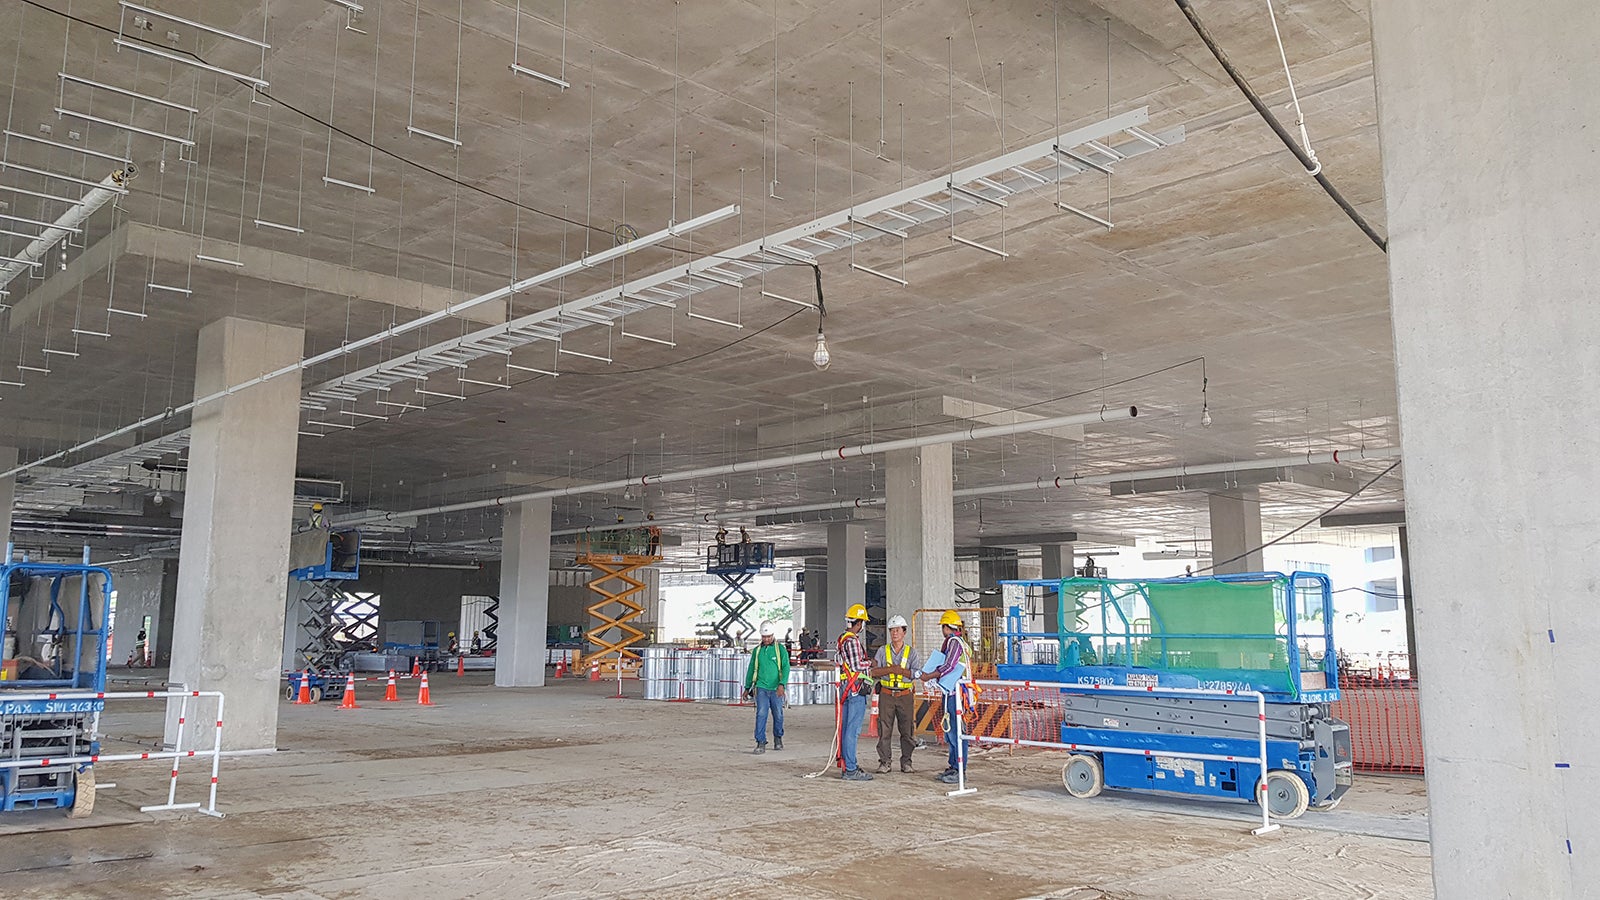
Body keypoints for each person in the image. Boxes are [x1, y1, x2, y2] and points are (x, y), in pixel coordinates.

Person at [919, 610, 971, 784]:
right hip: (950, 692)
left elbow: (949, 666)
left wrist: (931, 675)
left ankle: (959, 769)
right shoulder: (956, 642)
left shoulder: (954, 643)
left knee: (957, 732)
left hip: (956, 694)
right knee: (951, 732)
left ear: (947, 627)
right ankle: (953, 766)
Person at [869, 615, 922, 774]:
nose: (894, 633)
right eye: (892, 630)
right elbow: (874, 671)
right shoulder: (882, 651)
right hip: (886, 694)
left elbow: (917, 673)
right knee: (884, 730)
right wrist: (892, 670)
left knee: (907, 731)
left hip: (905, 695)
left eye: (897, 630)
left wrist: (903, 671)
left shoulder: (911, 652)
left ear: (904, 632)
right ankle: (885, 762)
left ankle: (907, 762)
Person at [836, 603, 874, 781]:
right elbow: (857, 665)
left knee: (846, 728)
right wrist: (871, 664)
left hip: (847, 687)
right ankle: (850, 768)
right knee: (853, 729)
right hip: (854, 689)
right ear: (859, 623)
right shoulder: (852, 640)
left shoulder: (843, 638)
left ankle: (848, 764)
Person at [743, 621, 789, 753]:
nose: (766, 639)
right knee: (761, 714)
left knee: (778, 714)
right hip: (761, 688)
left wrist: (782, 685)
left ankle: (778, 737)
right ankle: (760, 742)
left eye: (769, 636)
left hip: (776, 689)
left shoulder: (780, 650)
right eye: (764, 637)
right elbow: (751, 669)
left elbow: (786, 668)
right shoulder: (757, 652)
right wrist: (747, 687)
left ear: (773, 635)